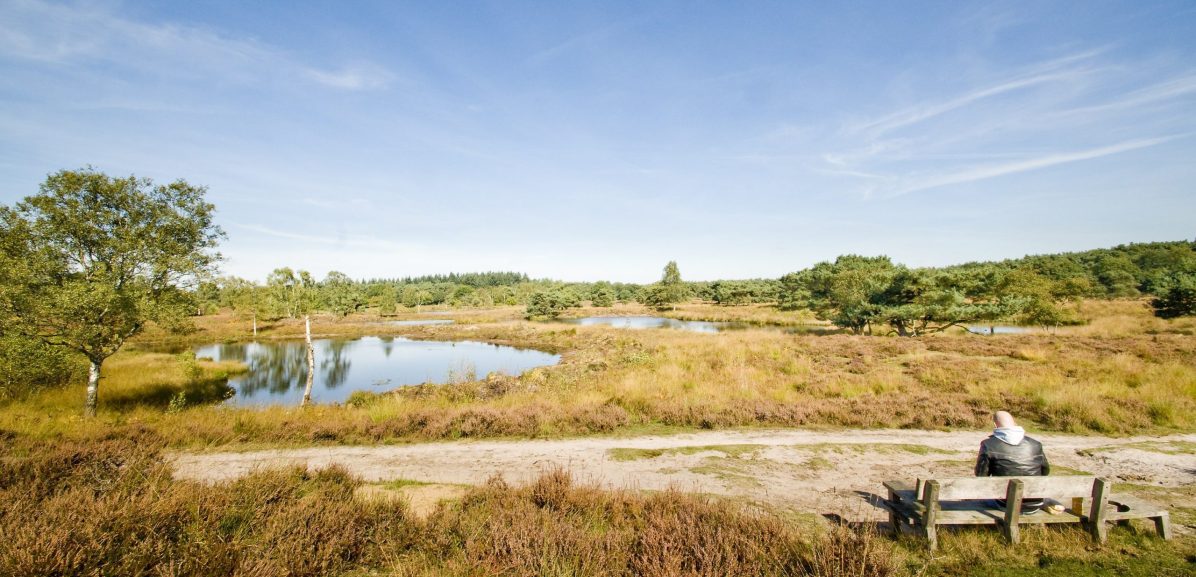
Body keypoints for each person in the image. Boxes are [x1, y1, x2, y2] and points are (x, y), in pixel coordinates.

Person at [975, 411, 1050, 513]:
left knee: (977, 499)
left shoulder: (988, 445)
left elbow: (981, 476)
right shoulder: (1036, 444)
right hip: (1034, 504)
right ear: (1014, 423)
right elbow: (1045, 471)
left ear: (995, 425)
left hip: (1004, 504)